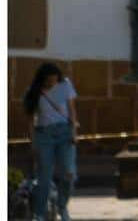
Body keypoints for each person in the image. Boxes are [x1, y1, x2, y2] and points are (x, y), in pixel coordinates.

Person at [23, 62, 76, 221]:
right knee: (44, 176)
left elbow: (72, 110)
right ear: (42, 79)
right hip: (44, 135)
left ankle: (62, 206)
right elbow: (30, 120)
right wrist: (33, 143)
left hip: (64, 132)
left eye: (55, 80)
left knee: (68, 172)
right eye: (49, 81)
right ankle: (39, 213)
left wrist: (74, 131)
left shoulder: (65, 85)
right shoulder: (33, 92)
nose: (53, 83)